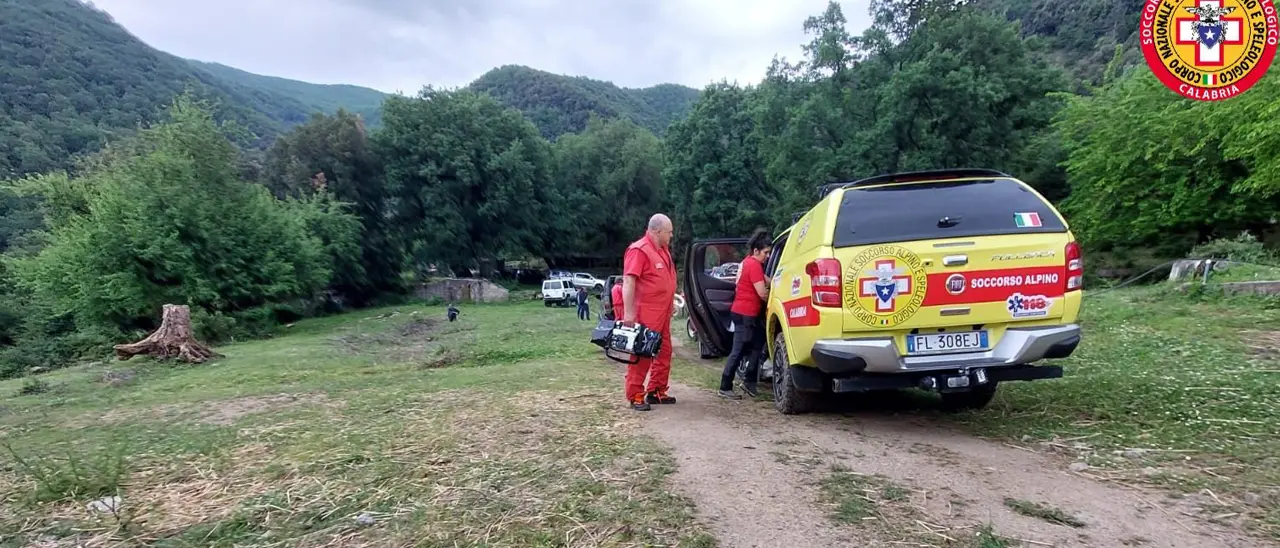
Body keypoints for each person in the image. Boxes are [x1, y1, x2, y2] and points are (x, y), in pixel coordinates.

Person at [622, 214, 677, 411]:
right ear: (657, 231)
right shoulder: (639, 250)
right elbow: (629, 281)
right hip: (647, 312)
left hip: (663, 312)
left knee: (664, 351)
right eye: (669, 232)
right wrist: (629, 314)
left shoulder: (663, 251)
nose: (671, 235)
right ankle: (635, 395)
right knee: (643, 352)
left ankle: (656, 390)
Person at [718, 230, 772, 399]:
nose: (768, 256)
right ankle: (725, 386)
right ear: (756, 251)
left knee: (757, 345)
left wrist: (777, 282)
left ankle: (749, 381)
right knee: (738, 350)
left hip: (746, 314)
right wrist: (776, 298)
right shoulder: (754, 265)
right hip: (745, 314)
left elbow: (766, 279)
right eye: (766, 252)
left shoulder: (747, 262)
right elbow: (762, 293)